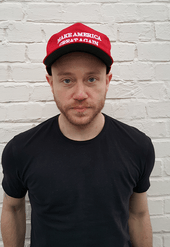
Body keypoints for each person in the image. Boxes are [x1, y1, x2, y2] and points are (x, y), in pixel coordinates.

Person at [1, 23, 155, 247]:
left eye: (92, 79)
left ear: (107, 82)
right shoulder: (21, 150)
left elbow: (138, 214)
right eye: (67, 80)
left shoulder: (137, 146)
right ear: (51, 83)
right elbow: (13, 208)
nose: (80, 94)